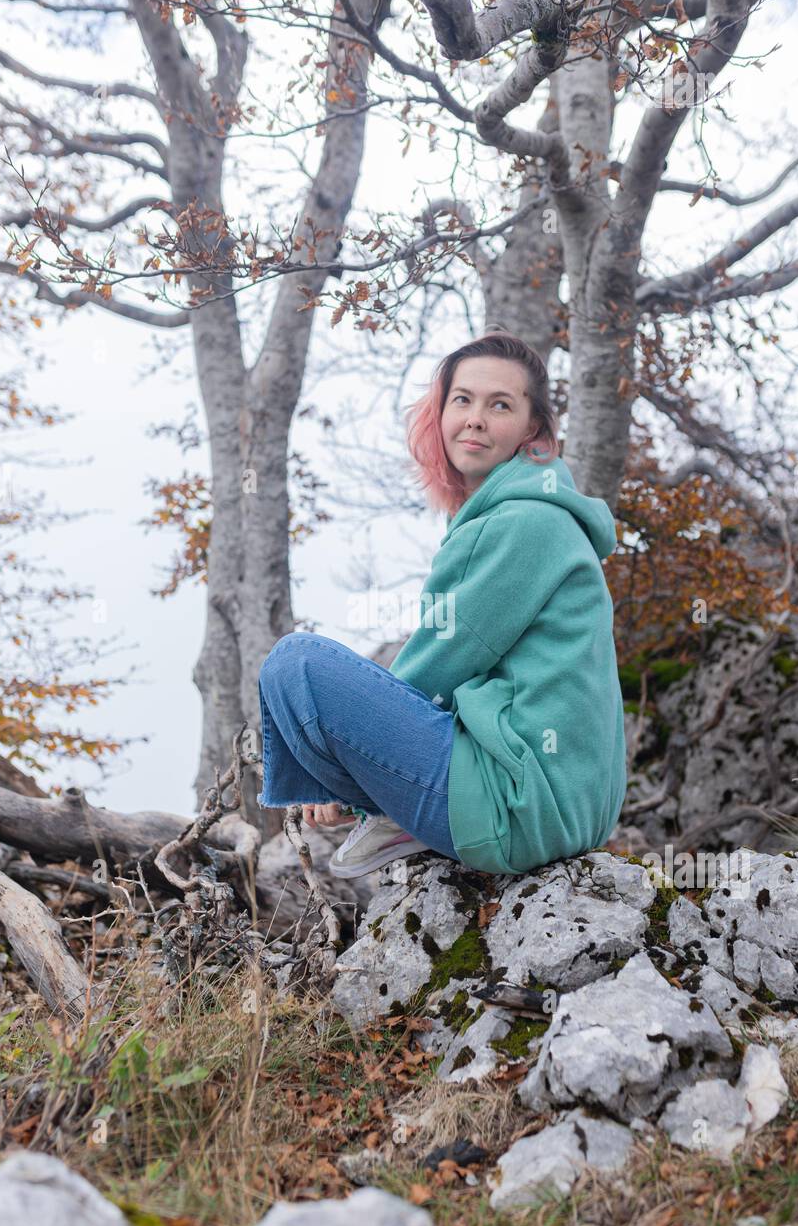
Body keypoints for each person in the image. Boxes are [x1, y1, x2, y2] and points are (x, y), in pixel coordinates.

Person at [257, 328, 627, 879]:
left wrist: (334, 776)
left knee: (295, 662)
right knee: (313, 679)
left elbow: (440, 663)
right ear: (442, 413)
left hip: (521, 807)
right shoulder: (518, 516)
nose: (476, 417)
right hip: (552, 805)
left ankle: (374, 807)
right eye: (463, 400)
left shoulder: (528, 523)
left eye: (500, 404)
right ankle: (393, 813)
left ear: (534, 432)